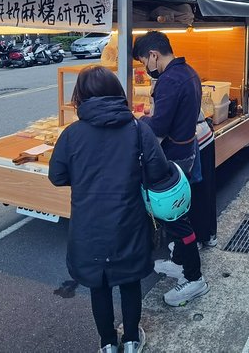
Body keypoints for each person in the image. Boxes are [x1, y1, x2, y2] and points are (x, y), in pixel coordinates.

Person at [49, 66, 171, 353]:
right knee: (129, 281)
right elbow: (159, 171)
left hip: (88, 225)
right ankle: (130, 340)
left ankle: (107, 344)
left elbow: (57, 176)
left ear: (80, 96)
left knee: (98, 285)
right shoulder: (139, 129)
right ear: (117, 92)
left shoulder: (72, 135)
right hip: (129, 221)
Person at [132, 31, 210, 306]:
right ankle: (179, 263)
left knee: (175, 218)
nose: (145, 68)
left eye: (144, 62)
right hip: (187, 151)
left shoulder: (169, 81)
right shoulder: (188, 72)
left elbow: (160, 127)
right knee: (176, 215)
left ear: (154, 55)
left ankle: (194, 278)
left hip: (173, 157)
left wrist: (140, 123)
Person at [189, 111, 218, 248]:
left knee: (196, 188)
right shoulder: (189, 88)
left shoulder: (170, 88)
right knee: (206, 187)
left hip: (194, 139)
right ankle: (209, 234)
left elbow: (162, 123)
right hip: (203, 134)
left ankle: (198, 237)